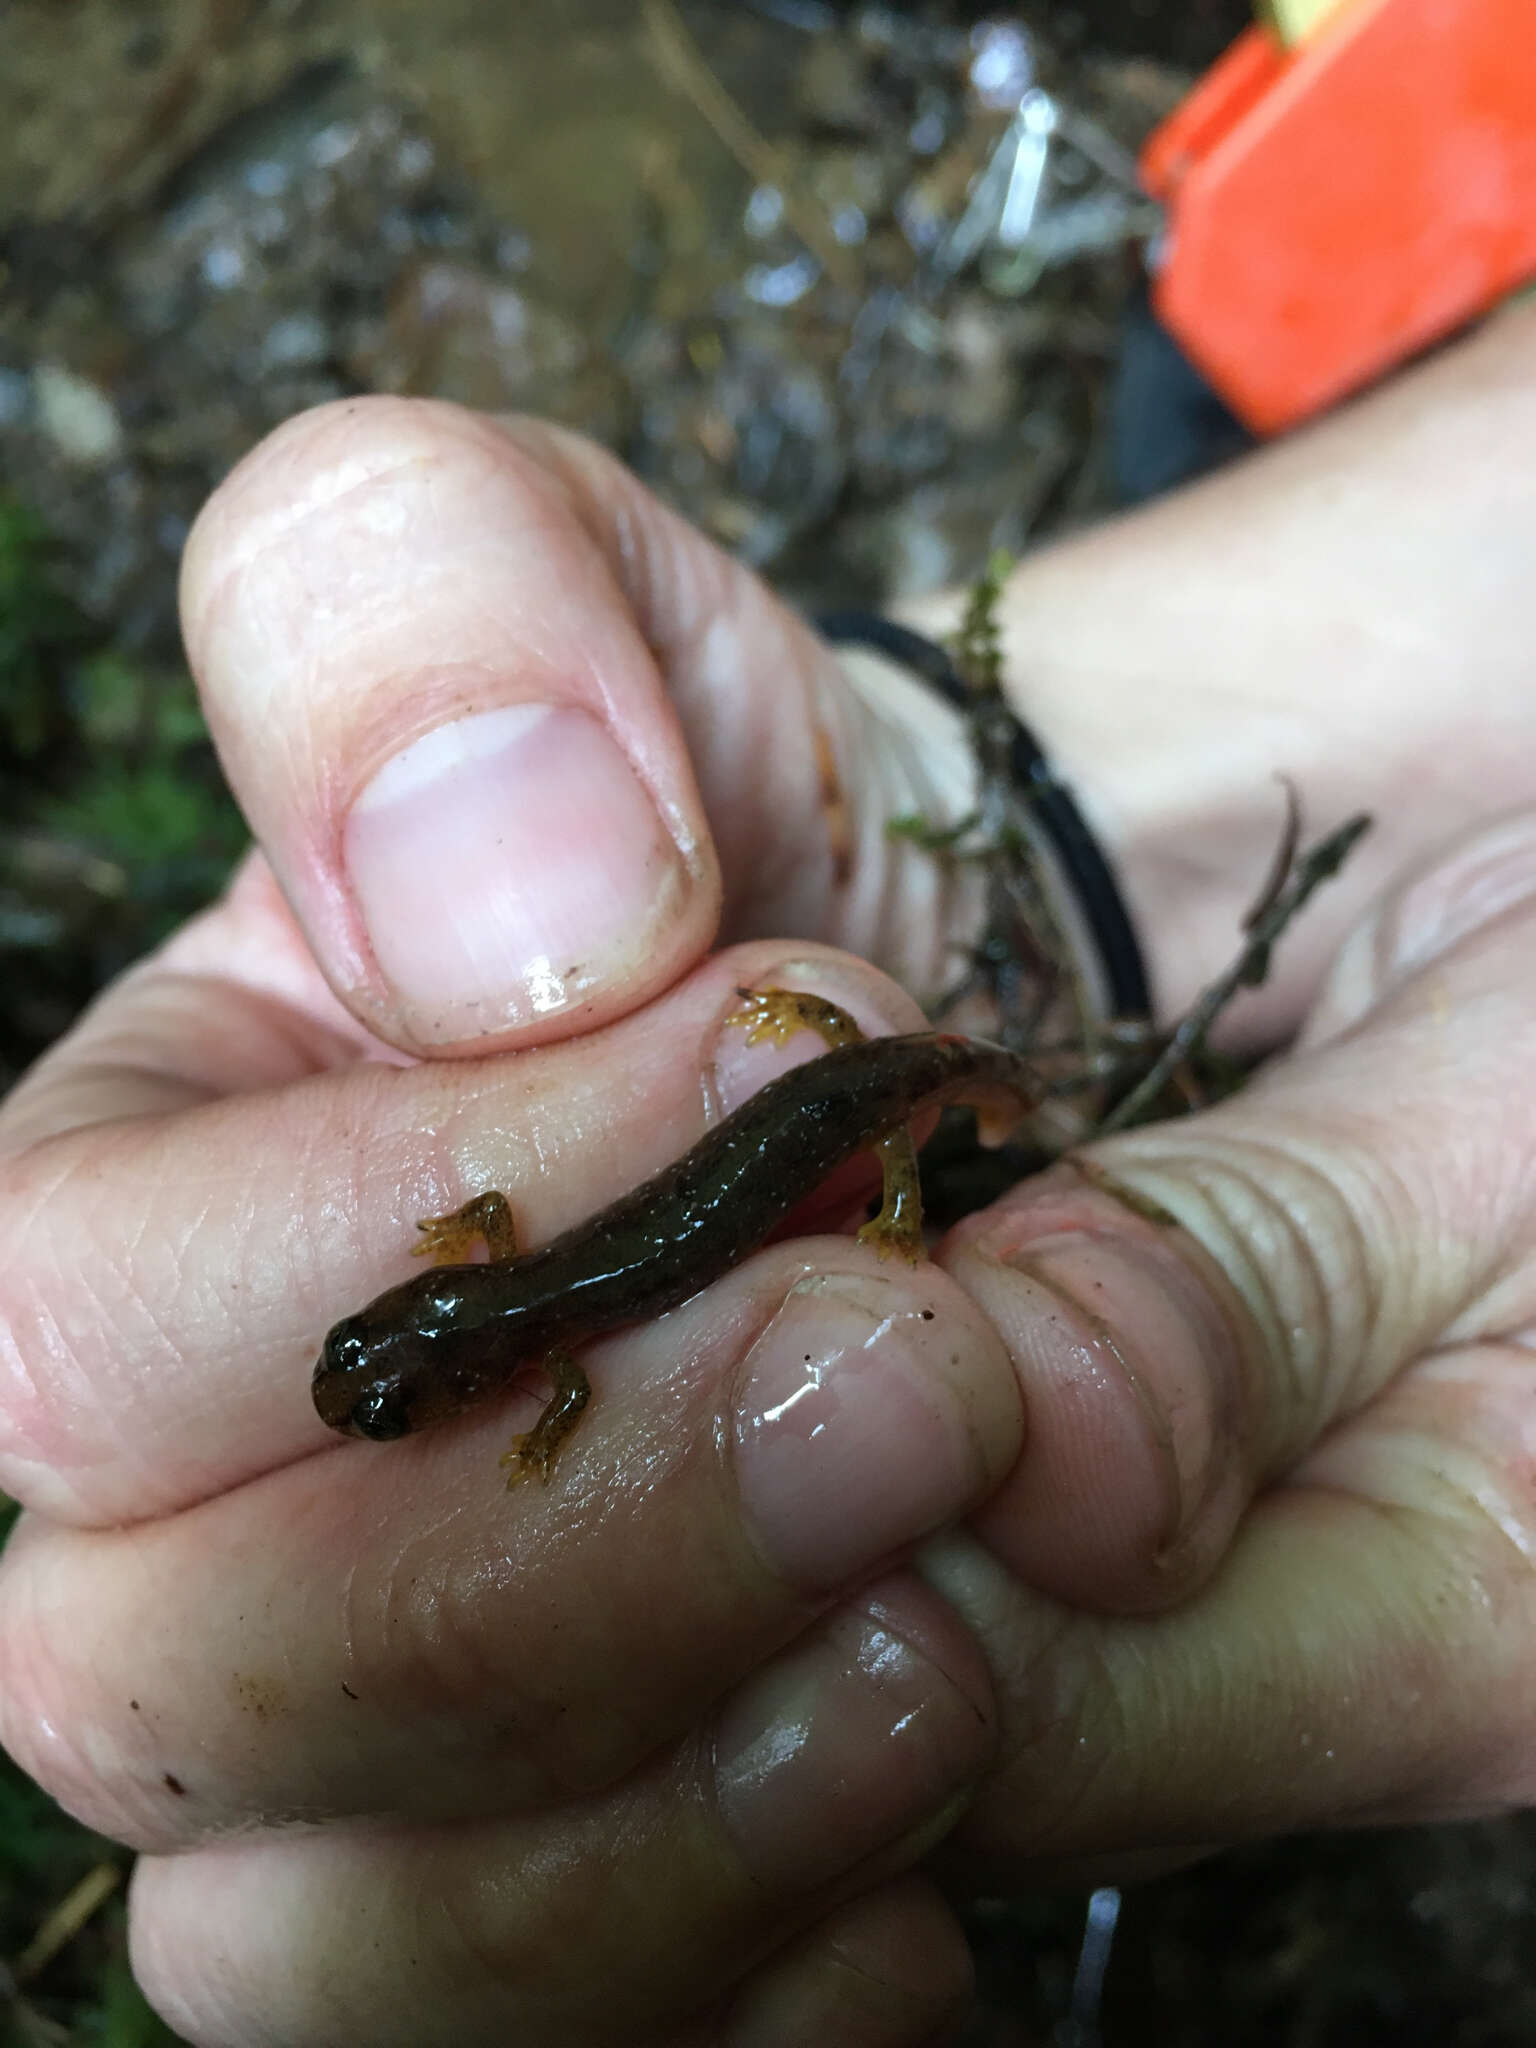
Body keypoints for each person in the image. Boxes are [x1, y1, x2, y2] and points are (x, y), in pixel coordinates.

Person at [2, 297, 1535, 2048]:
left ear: (465, 1340)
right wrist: (1008, 832)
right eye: (395, 1374)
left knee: (872, 1112)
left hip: (826, 1119)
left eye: (388, 1354)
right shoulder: (516, 1296)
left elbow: (561, 1379)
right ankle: (950, 1101)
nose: (386, 1370)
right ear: (457, 1328)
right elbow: (513, 1260)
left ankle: (950, 1111)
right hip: (795, 1135)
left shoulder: (540, 1347)